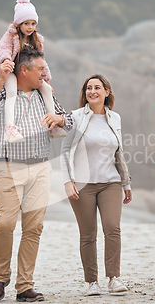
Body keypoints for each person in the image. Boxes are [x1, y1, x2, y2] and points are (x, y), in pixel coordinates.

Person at [0, 46, 73, 302]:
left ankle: (24, 286)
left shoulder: (46, 95)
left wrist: (59, 120)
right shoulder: (2, 94)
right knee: (5, 224)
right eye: (41, 69)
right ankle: (0, 276)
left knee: (33, 228)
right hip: (8, 166)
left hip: (41, 167)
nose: (45, 73)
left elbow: (70, 121)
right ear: (24, 70)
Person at [60, 74, 132, 296]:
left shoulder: (115, 118)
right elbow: (64, 151)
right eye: (88, 88)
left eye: (97, 87)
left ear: (106, 92)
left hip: (110, 183)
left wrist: (126, 183)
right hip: (82, 185)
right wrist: (67, 181)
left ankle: (113, 278)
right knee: (88, 234)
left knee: (112, 228)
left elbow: (119, 153)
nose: (92, 91)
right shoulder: (75, 117)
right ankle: (91, 282)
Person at [0, 0, 65, 143]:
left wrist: (46, 80)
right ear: (19, 24)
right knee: (11, 93)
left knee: (47, 90)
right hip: (11, 70)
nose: (30, 27)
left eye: (33, 24)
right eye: (26, 23)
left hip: (29, 72)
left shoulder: (37, 39)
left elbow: (42, 61)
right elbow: (2, 50)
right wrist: (6, 61)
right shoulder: (10, 35)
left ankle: (53, 125)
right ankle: (10, 129)